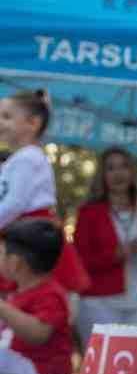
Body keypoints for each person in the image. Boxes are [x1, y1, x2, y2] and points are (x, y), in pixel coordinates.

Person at [72, 148, 137, 342]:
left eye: (124, 166)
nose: (118, 173)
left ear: (132, 172)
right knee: (103, 367)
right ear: (102, 175)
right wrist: (115, 254)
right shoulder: (89, 212)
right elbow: (79, 261)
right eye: (111, 168)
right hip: (99, 302)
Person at [0, 90, 90, 297]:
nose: (1, 122)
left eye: (7, 117)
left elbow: (15, 202)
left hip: (31, 234)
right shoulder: (20, 159)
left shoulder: (28, 158)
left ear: (33, 123)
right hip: (20, 228)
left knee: (35, 293)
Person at [0, 218, 72, 374]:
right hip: (23, 371)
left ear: (16, 263)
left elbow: (38, 334)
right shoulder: (17, 292)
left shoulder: (50, 295)